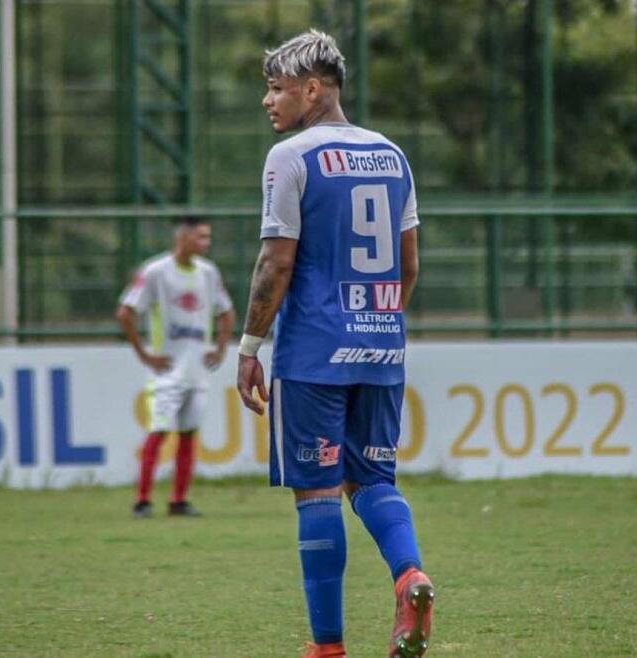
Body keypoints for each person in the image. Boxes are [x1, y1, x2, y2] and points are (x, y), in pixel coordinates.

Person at [236, 30, 434, 658]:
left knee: (317, 491)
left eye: (277, 88)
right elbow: (408, 265)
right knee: (373, 478)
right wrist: (377, 323)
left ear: (313, 89)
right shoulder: (392, 155)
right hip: (381, 344)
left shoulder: (292, 157)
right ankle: (411, 576)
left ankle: (328, 648)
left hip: (314, 350)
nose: (268, 100)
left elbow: (275, 264)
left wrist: (249, 346)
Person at [117, 217, 235, 518]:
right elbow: (125, 312)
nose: (206, 243)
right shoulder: (156, 271)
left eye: (208, 237)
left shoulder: (208, 273)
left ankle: (178, 501)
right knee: (158, 432)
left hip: (197, 370)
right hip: (166, 370)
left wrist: (221, 347)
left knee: (188, 434)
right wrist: (145, 354)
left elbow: (227, 312)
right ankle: (142, 500)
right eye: (201, 237)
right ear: (182, 237)